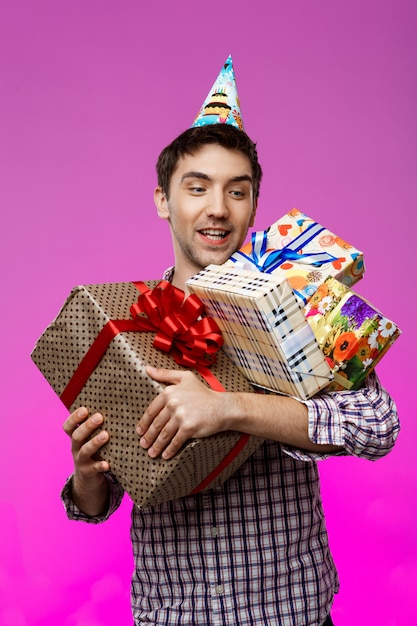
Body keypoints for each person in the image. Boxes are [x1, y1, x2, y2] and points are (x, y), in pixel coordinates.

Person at [61, 58, 399, 626]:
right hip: (172, 614)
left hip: (290, 613)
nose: (218, 208)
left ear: (253, 207)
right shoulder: (127, 324)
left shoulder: (300, 304)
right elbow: (97, 507)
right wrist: (88, 476)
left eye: (236, 191)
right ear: (164, 201)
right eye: (197, 188)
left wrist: (227, 409)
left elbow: (377, 426)